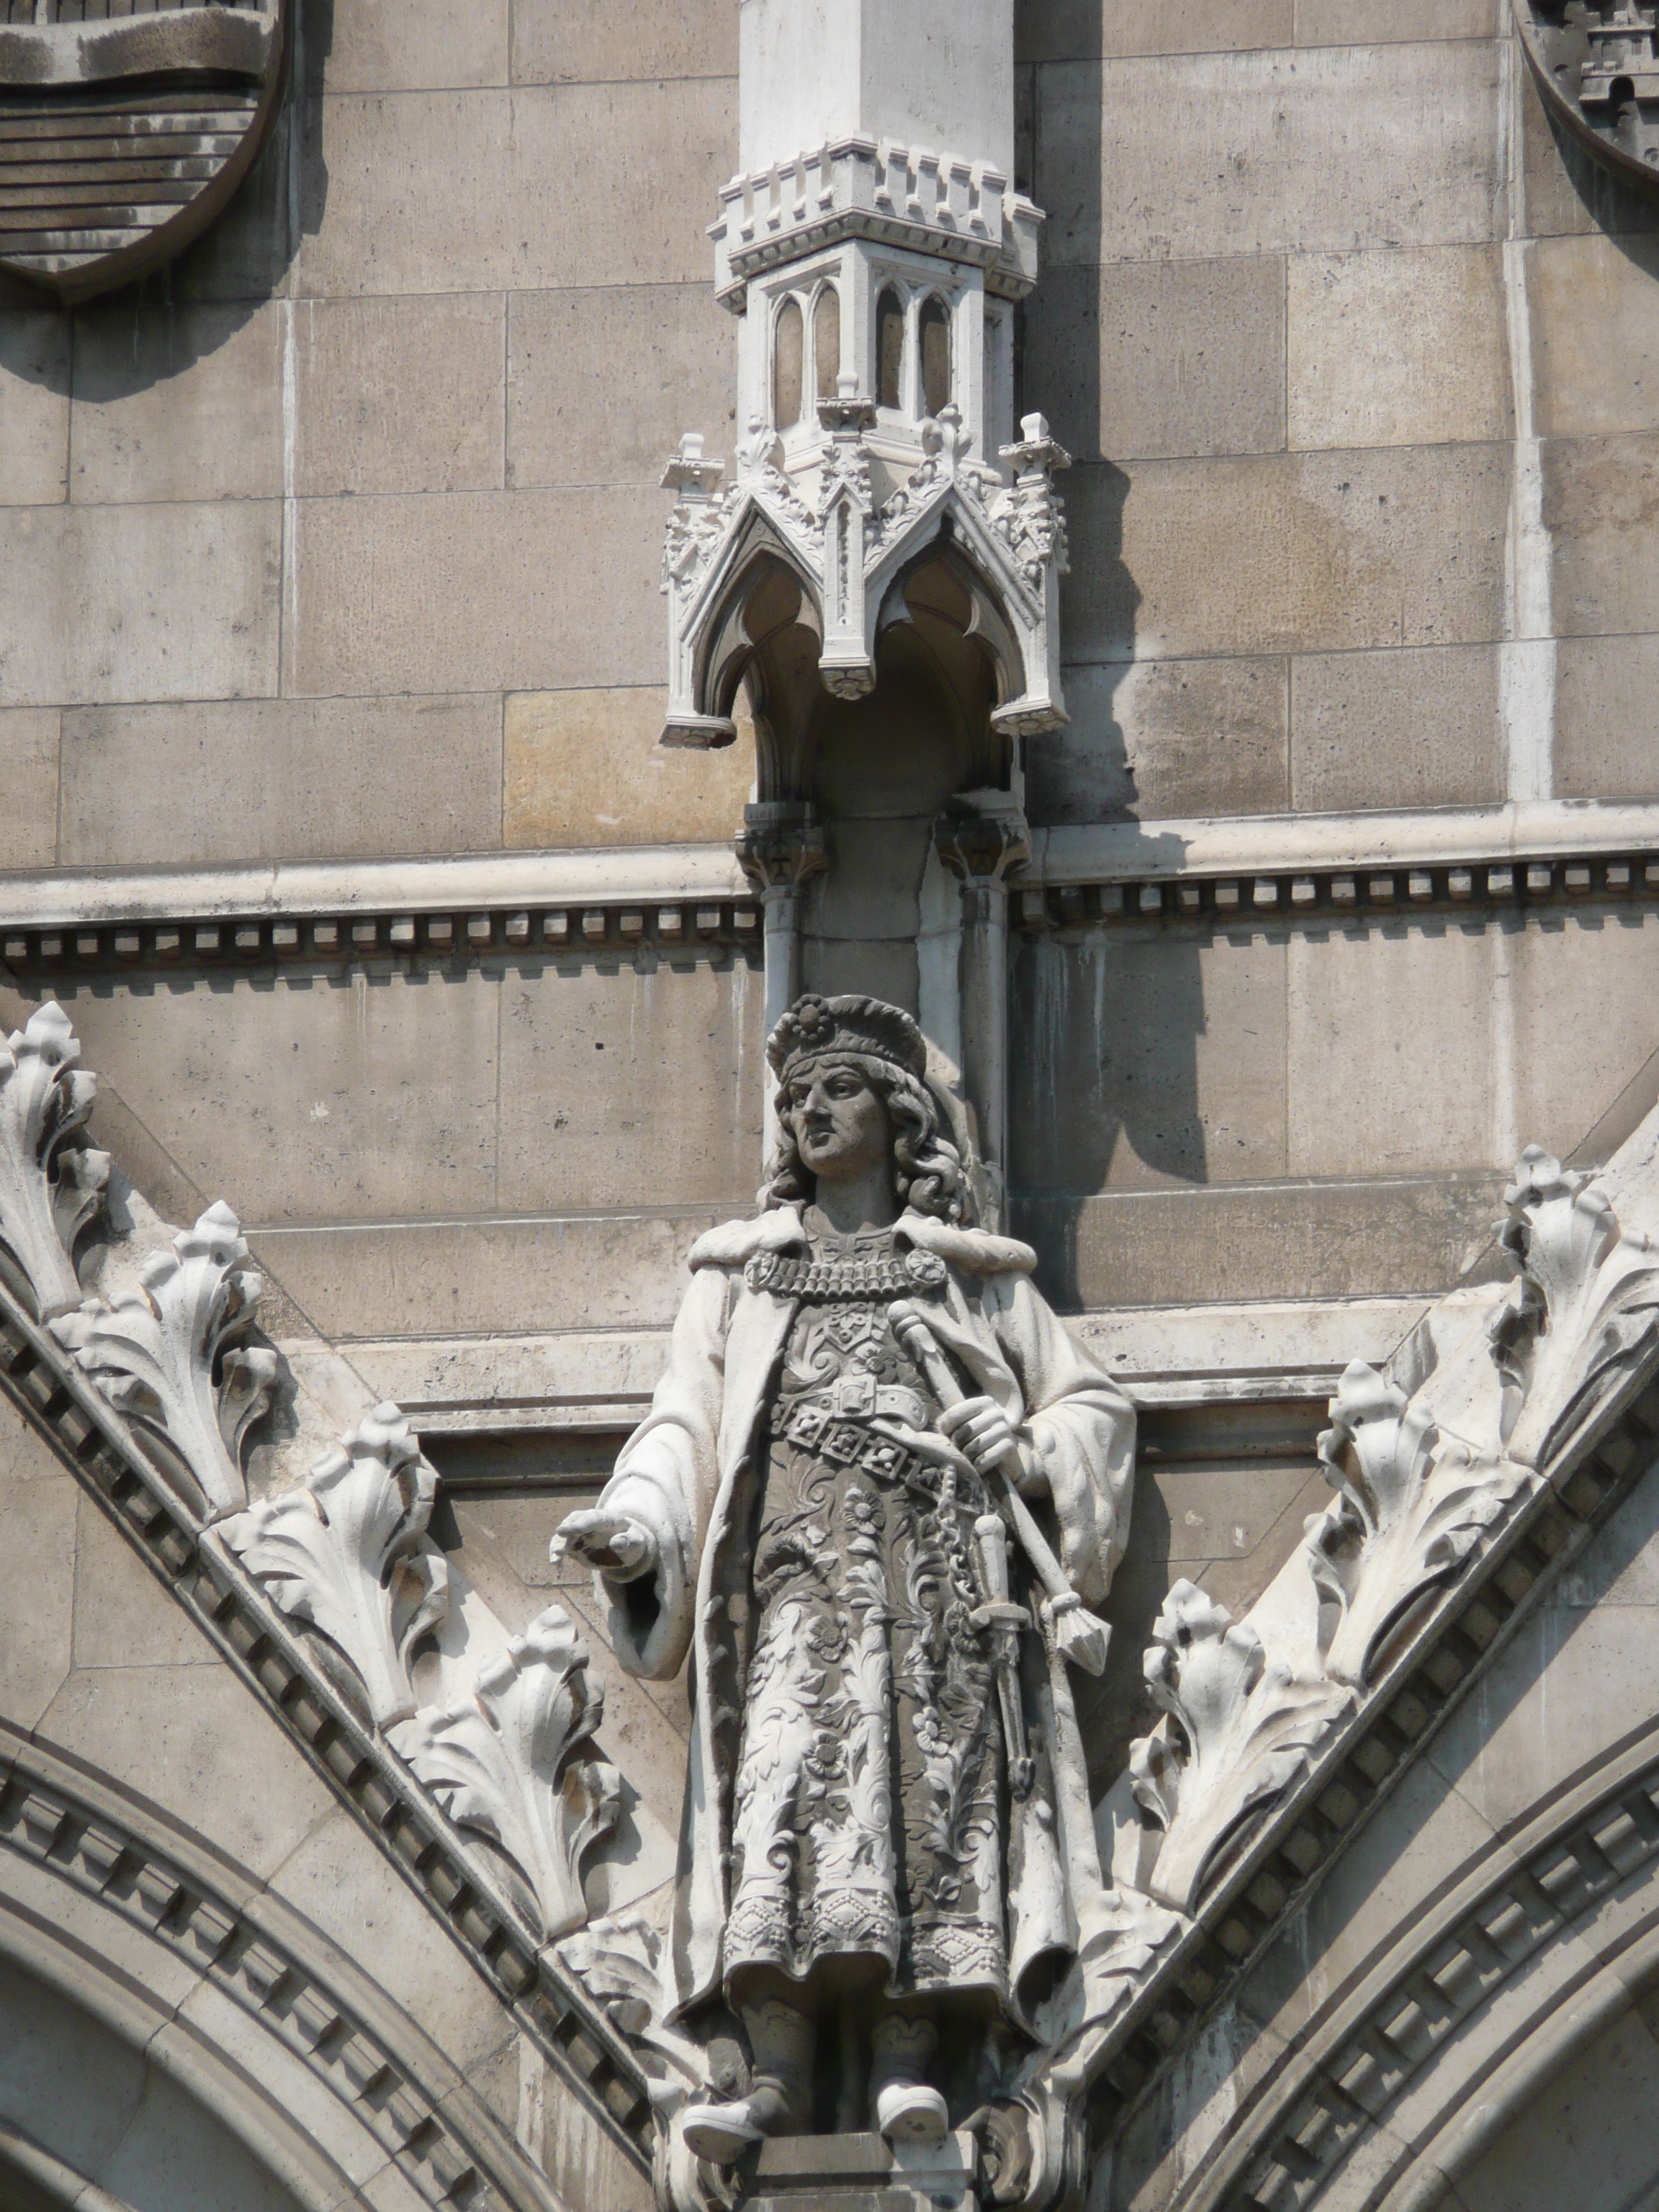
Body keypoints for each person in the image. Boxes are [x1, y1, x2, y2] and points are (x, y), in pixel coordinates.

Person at [552, 994, 1135, 2164]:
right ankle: (776, 2073)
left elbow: (1092, 1409)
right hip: (794, 1596)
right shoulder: (742, 1279)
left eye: (839, 1091)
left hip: (938, 1599)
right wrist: (637, 1524)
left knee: (926, 1813)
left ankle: (910, 2064)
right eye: (795, 1102)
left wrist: (1024, 1450)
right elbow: (685, 1425)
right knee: (785, 1806)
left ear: (900, 1115)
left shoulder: (975, 1283)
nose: (810, 1113)